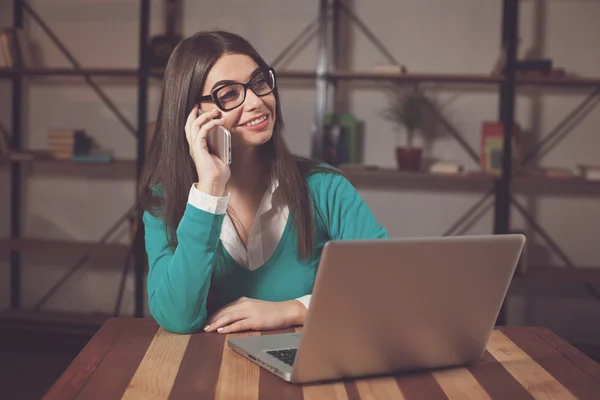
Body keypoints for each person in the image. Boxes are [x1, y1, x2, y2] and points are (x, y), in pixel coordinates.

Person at [138, 30, 389, 335]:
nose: (257, 101)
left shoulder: (325, 188)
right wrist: (209, 191)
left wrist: (293, 310)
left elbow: (385, 287)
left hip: (308, 369)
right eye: (229, 94)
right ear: (193, 115)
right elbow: (178, 318)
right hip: (208, 374)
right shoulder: (164, 204)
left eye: (259, 83)